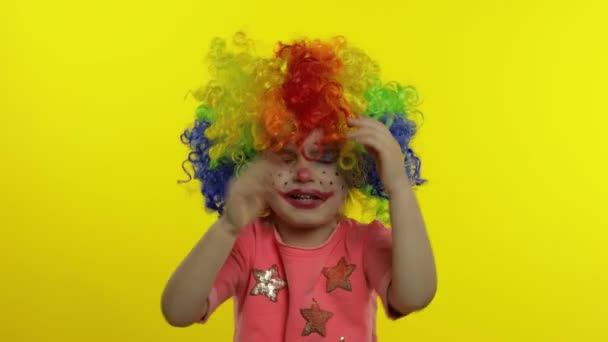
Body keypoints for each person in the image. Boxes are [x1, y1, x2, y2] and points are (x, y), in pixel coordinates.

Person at [161, 32, 437, 341]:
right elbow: (177, 312)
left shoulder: (364, 243)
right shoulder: (247, 242)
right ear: (250, 164)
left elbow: (415, 296)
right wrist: (228, 225)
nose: (304, 173)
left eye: (327, 158)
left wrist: (399, 185)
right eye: (285, 157)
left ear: (356, 168)